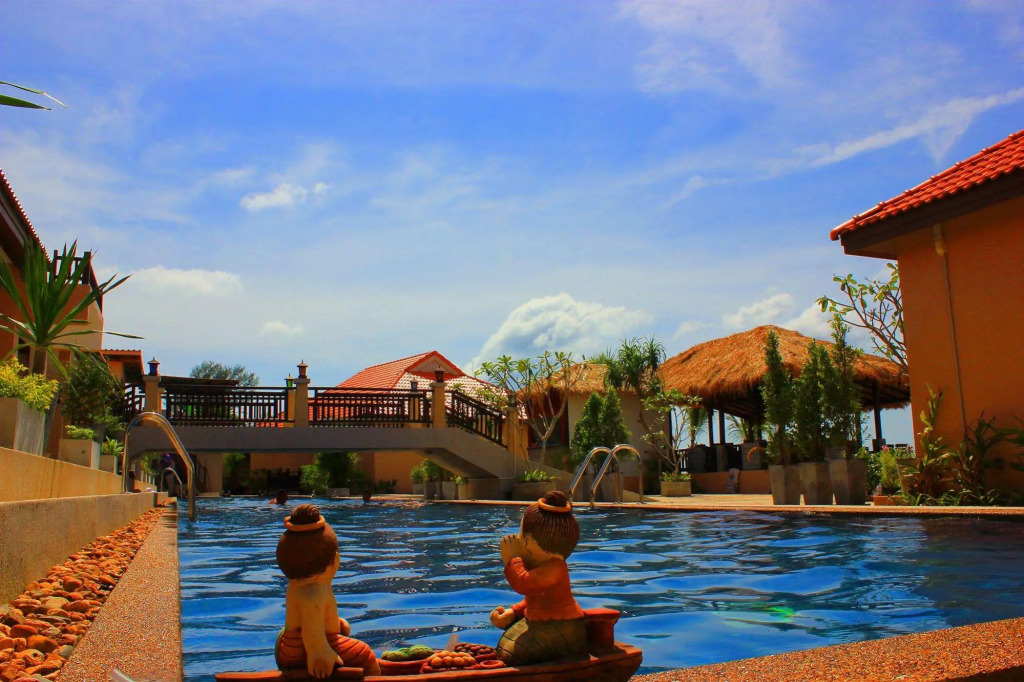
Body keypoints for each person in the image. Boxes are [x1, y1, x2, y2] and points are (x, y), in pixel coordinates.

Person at [274, 504, 379, 678]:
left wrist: (335, 624)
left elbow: (308, 619)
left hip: (290, 647)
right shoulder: (316, 591)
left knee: (344, 633)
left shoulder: (296, 586)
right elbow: (311, 633)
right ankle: (377, 677)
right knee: (364, 652)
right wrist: (320, 652)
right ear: (333, 559)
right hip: (303, 649)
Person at [490, 491, 587, 665]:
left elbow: (523, 584)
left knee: (514, 653)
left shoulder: (554, 568)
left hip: (561, 627)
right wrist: (514, 612)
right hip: (542, 622)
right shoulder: (543, 567)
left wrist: (512, 559)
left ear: (528, 541)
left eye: (520, 535)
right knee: (506, 644)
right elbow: (535, 597)